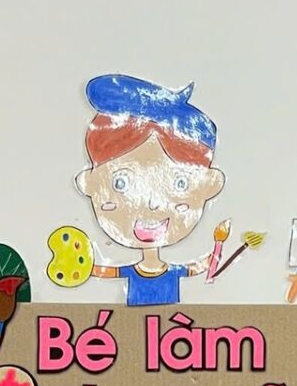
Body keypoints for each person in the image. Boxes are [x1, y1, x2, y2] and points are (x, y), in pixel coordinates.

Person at [74, 73, 226, 306]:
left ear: (210, 184)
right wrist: (82, 266)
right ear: (89, 183)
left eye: (180, 183)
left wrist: (218, 247)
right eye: (120, 183)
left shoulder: (173, 271)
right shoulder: (135, 271)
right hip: (132, 325)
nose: (152, 204)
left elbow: (201, 267)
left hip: (174, 326)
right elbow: (106, 272)